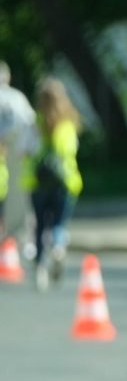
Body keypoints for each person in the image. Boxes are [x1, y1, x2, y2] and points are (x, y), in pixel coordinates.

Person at [24, 78, 83, 290]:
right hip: (64, 181)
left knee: (40, 226)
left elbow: (26, 150)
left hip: (38, 181)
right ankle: (58, 248)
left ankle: (40, 269)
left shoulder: (35, 123)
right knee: (59, 223)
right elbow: (72, 150)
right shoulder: (69, 123)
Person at [0, 61, 36, 240]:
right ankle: (15, 233)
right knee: (18, 193)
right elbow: (30, 123)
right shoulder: (17, 97)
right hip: (17, 153)